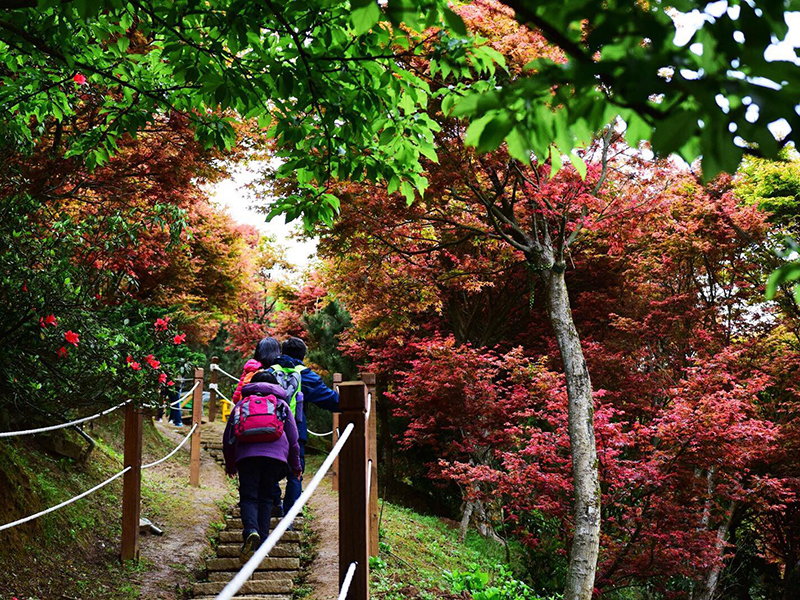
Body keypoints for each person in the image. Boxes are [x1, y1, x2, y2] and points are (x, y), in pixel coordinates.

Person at [223, 337, 302, 561]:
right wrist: (295, 466)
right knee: (267, 498)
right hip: (275, 459)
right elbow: (294, 439)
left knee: (248, 496)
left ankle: (251, 531)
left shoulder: (241, 404)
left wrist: (230, 465)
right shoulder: (281, 403)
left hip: (247, 457)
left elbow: (228, 437)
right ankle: (264, 542)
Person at [272, 336, 339, 517]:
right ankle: (290, 516)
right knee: (295, 473)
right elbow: (330, 400)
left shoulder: (269, 370)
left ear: (282, 352)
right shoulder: (305, 374)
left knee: (269, 468)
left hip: (270, 429)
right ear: (303, 355)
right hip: (296, 430)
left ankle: (274, 503)